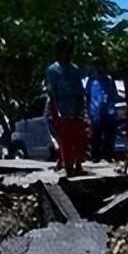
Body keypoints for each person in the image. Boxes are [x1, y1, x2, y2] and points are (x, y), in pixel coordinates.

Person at [44, 39, 88, 176]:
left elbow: (80, 91)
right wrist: (57, 111)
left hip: (76, 108)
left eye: (70, 52)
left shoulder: (74, 69)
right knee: (65, 140)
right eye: (66, 52)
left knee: (79, 139)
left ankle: (78, 165)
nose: (69, 55)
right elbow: (52, 92)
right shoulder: (53, 70)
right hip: (61, 108)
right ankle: (69, 168)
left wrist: (81, 109)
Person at [86, 64, 118, 162]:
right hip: (95, 111)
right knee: (96, 134)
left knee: (109, 135)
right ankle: (96, 155)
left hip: (109, 111)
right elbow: (88, 95)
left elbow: (114, 94)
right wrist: (88, 111)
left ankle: (108, 155)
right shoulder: (91, 81)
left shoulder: (109, 80)